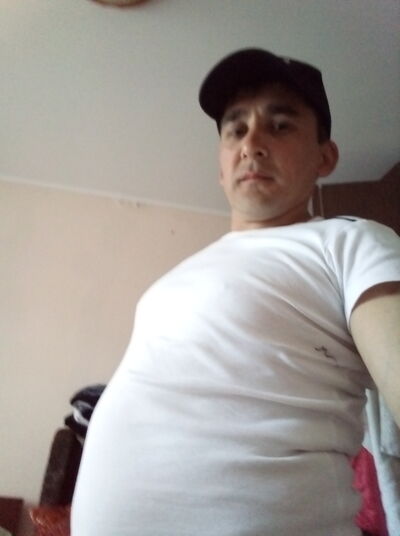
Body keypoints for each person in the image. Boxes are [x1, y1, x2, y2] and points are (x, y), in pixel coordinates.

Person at [71, 48, 400, 536]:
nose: (252, 144)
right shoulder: (175, 277)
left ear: (325, 157)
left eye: (280, 126)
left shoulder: (350, 242)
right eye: (236, 129)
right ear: (222, 167)